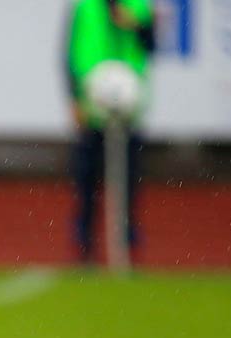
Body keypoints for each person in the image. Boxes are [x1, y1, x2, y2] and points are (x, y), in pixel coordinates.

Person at [64, 0, 155, 264]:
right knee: (87, 180)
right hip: (93, 106)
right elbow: (69, 53)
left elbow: (150, 45)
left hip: (128, 110)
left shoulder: (138, 6)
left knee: (127, 182)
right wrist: (75, 99)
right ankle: (85, 247)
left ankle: (126, 246)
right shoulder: (85, 7)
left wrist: (136, 25)